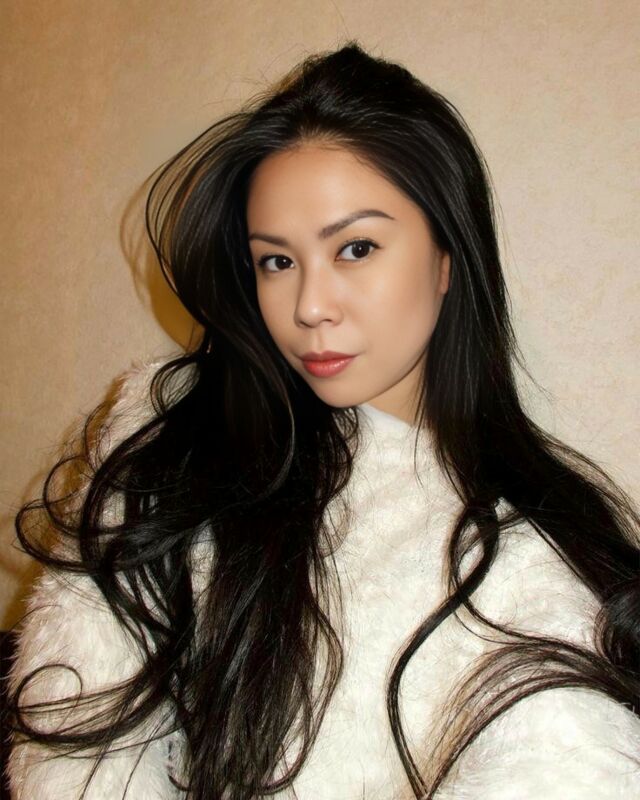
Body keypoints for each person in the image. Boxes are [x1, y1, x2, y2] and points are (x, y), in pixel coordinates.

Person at [6, 42, 640, 800]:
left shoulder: (529, 559)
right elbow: (75, 742)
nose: (309, 306)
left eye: (356, 248)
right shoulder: (174, 442)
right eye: (276, 261)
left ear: (447, 259)